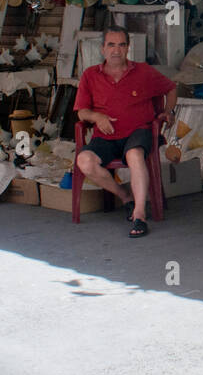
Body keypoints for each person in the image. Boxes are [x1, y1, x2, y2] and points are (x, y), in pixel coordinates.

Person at [74, 26, 177, 238]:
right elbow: (82, 112)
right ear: (102, 48)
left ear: (128, 48)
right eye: (111, 45)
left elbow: (171, 88)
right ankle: (124, 196)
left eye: (121, 45)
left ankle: (140, 215)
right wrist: (97, 117)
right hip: (106, 137)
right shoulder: (90, 75)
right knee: (84, 161)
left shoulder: (143, 71)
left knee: (134, 154)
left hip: (139, 131)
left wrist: (167, 112)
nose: (116, 50)